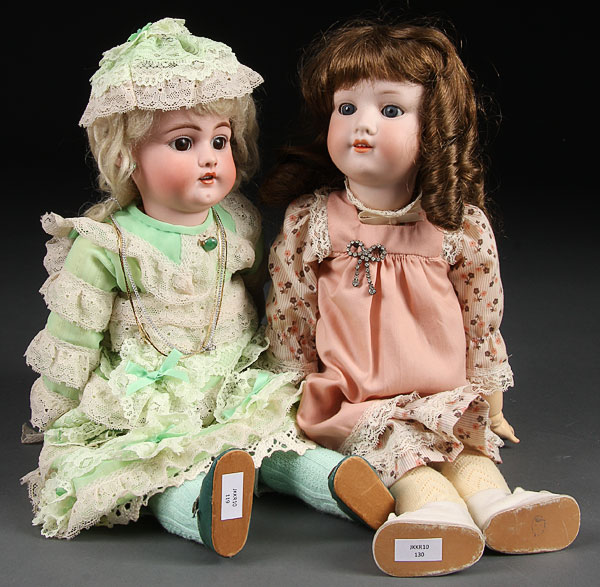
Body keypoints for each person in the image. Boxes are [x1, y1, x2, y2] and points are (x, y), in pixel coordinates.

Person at [21, 18, 387, 557]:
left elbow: (260, 295)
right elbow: (71, 336)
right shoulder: (107, 244)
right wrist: (59, 410)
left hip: (229, 376)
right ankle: (202, 506)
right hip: (149, 397)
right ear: (126, 158)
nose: (210, 156)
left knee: (272, 432)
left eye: (220, 140)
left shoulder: (235, 223)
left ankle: (333, 480)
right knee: (146, 465)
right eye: (183, 142)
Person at [262, 19, 580, 577]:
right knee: (407, 462)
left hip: (442, 395)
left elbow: (481, 321)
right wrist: (286, 393)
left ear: (434, 128)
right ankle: (432, 517)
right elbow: (291, 314)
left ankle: (501, 509)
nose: (362, 124)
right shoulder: (312, 222)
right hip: (357, 401)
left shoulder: (458, 227)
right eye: (346, 108)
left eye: (390, 110)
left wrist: (490, 403)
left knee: (467, 454)